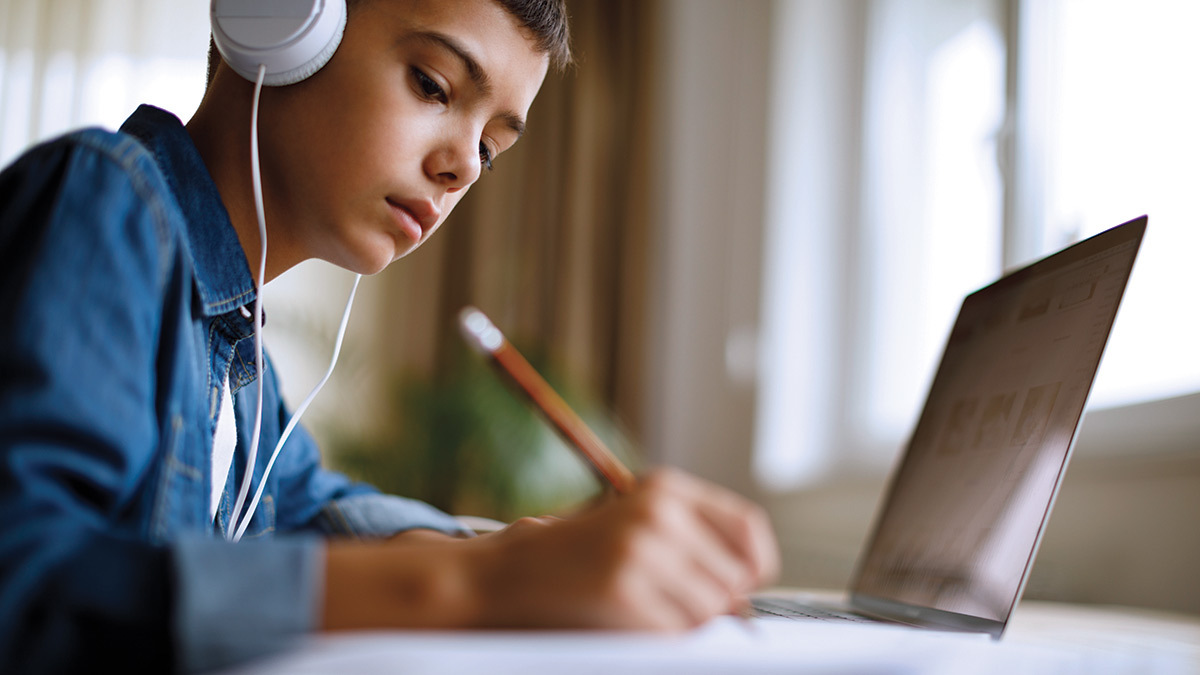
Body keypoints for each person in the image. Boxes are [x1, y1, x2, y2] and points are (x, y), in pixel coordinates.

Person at [0, 0, 780, 672]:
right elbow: (23, 583)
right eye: (433, 86)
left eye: (489, 149)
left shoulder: (234, 354)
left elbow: (317, 505)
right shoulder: (106, 203)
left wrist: (510, 553)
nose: (461, 170)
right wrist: (481, 585)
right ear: (281, 21)